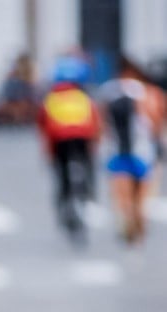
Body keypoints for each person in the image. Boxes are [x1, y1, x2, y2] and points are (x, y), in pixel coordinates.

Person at [99, 56, 162, 243]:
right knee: (142, 200)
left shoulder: (109, 91)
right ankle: (139, 225)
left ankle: (129, 226)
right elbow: (157, 124)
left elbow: (102, 124)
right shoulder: (148, 93)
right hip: (143, 153)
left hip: (117, 153)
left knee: (123, 198)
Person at [37, 55, 100, 235]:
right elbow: (95, 125)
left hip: (60, 142)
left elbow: (44, 128)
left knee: (62, 174)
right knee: (87, 165)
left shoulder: (51, 99)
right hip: (82, 140)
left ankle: (62, 200)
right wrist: (93, 147)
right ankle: (89, 191)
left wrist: (48, 153)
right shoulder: (84, 98)